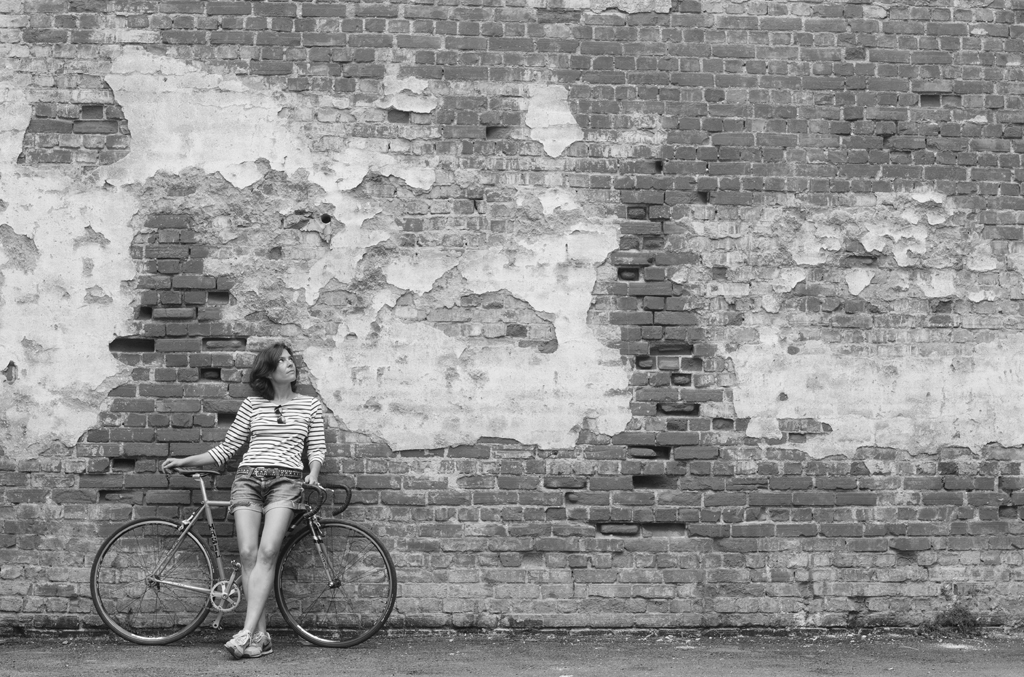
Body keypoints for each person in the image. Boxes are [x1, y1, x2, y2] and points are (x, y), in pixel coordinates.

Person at [161, 342, 326, 659]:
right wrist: (185, 461)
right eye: (282, 361)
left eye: (290, 359)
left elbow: (316, 448)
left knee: (268, 551)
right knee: (249, 554)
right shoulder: (252, 405)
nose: (290, 364)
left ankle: (245, 632)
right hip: (248, 479)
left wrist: (314, 474)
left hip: (286, 481)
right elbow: (227, 449)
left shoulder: (310, 405)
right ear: (269, 371)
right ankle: (260, 637)